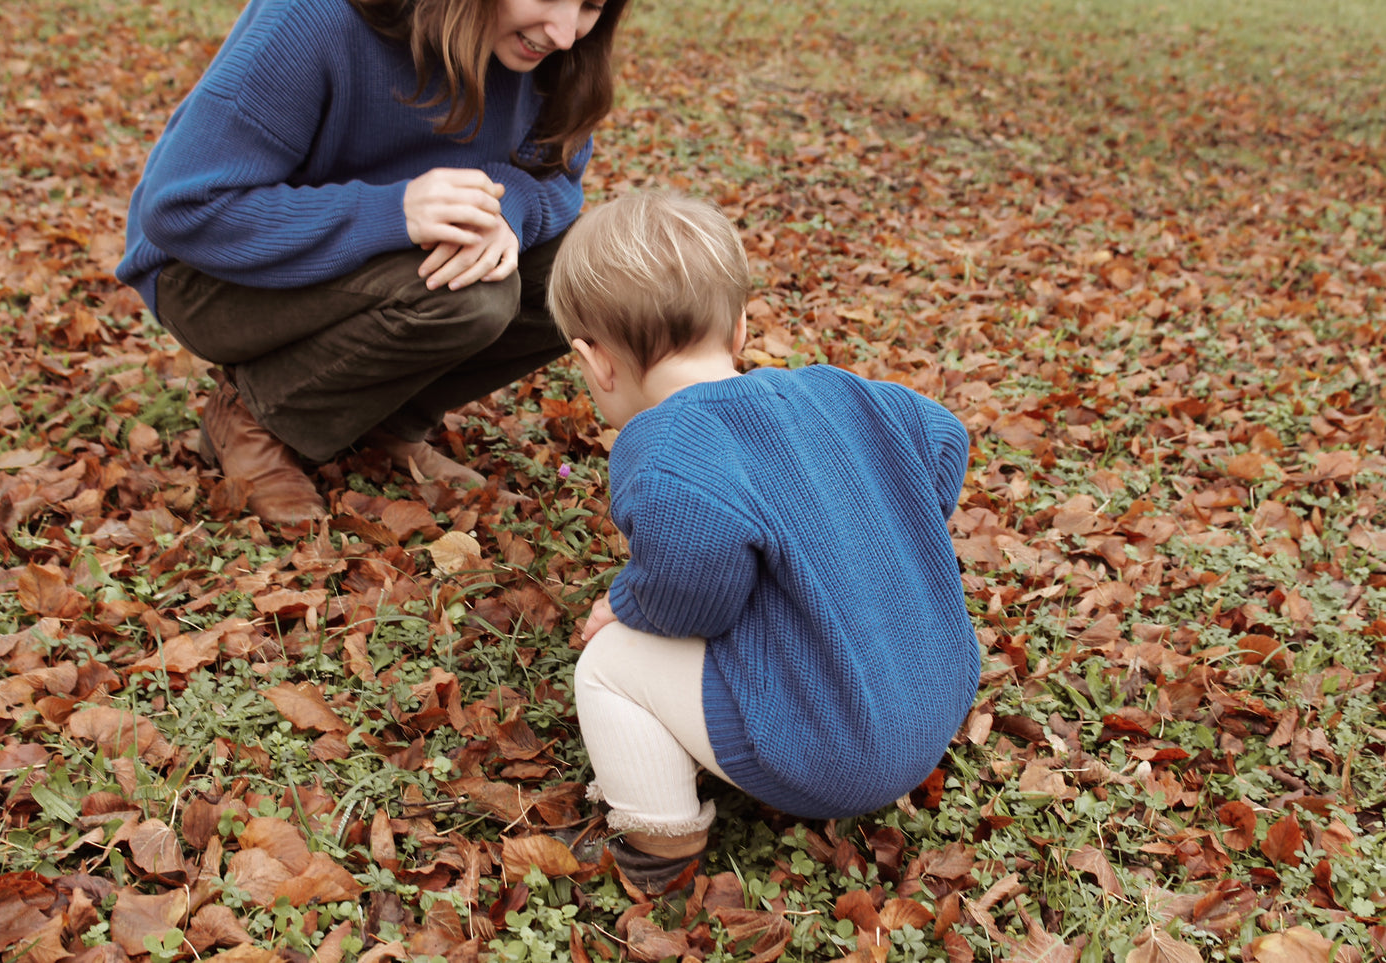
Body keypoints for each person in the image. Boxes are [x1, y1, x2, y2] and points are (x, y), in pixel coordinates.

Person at [547, 191, 981, 892]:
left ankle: (660, 840)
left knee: (607, 665)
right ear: (741, 327)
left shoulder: (661, 446)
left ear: (595, 362)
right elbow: (940, 435)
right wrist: (886, 528)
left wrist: (624, 604)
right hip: (935, 703)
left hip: (835, 754)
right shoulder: (846, 392)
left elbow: (694, 599)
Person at [116, 0, 630, 525]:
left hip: (377, 257)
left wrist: (507, 211)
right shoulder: (314, 17)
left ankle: (387, 421)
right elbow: (183, 209)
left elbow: (557, 175)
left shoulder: (555, 55)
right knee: (473, 296)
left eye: (590, 5)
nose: (565, 34)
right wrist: (392, 210)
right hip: (207, 273)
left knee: (593, 280)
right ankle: (254, 413)